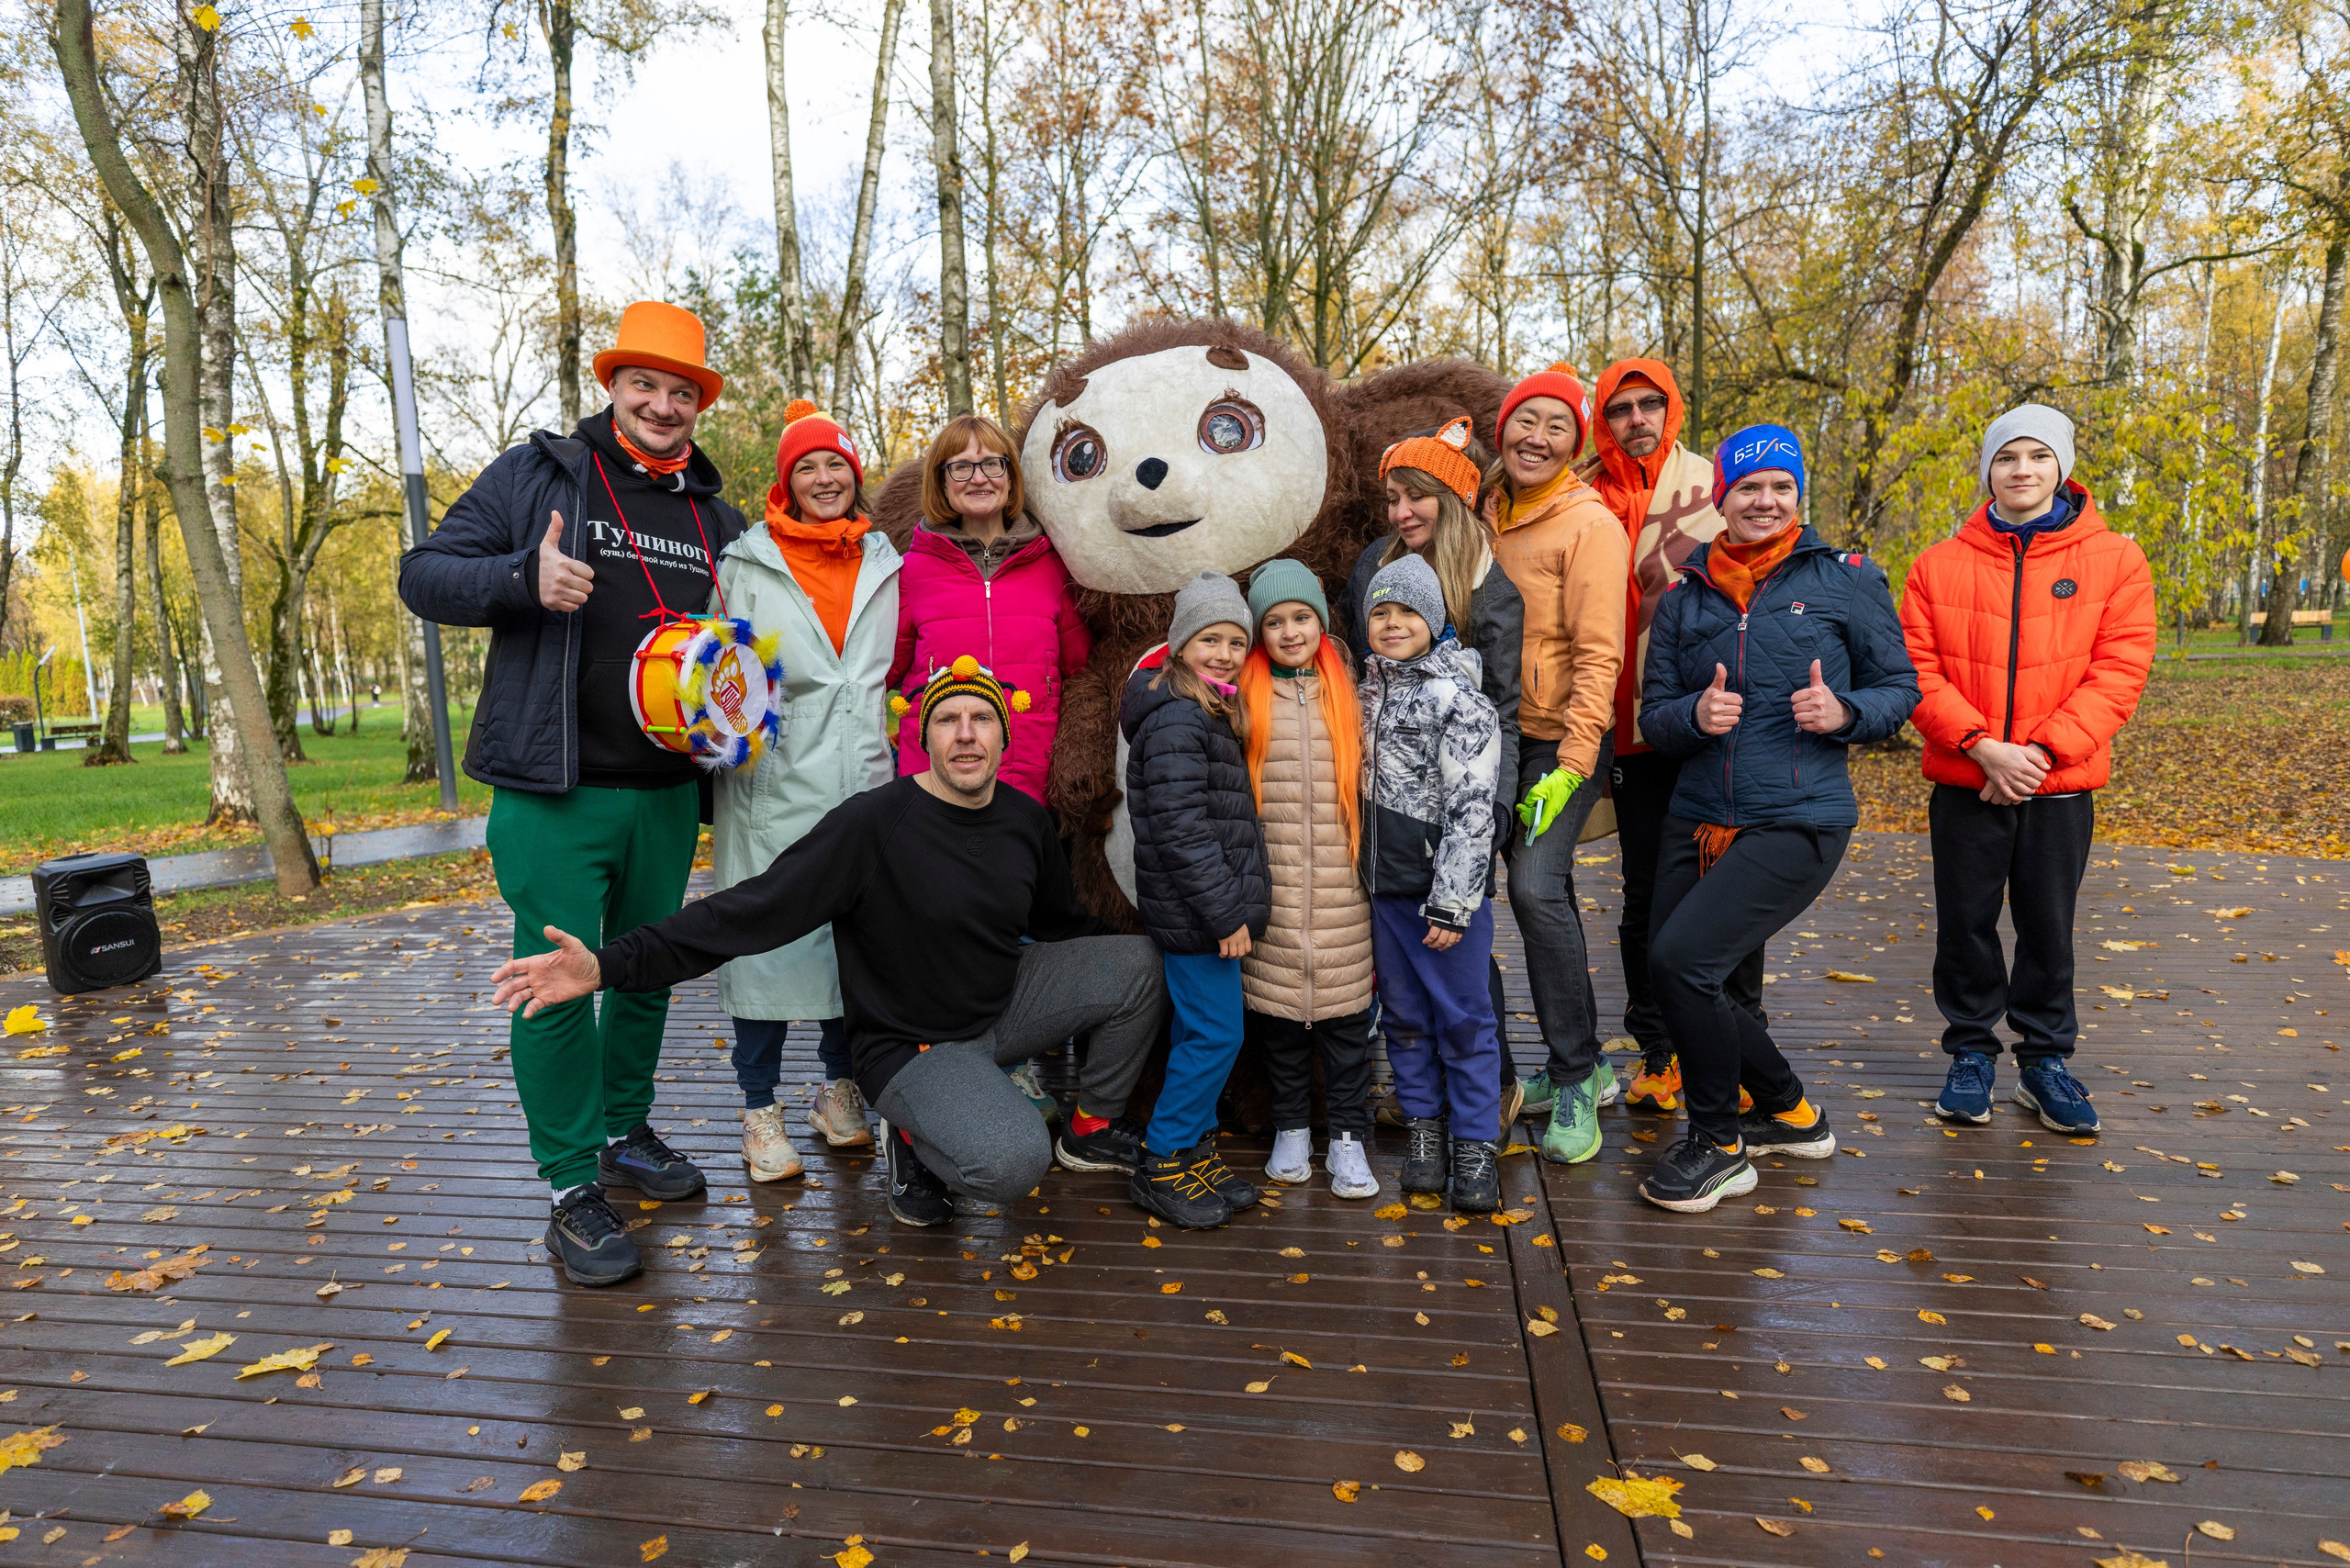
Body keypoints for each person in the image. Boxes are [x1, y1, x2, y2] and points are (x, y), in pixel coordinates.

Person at [490, 656, 1167, 1266]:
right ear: (923, 737)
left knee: (1140, 964)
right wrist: (606, 966)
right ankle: (911, 1133)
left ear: (1002, 736)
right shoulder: (872, 825)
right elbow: (745, 913)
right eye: (950, 719)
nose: (966, 734)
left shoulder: (1023, 820)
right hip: (915, 1045)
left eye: (982, 719)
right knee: (1013, 1162)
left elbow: (1061, 927)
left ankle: (1092, 1130)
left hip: (1003, 1002)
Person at [399, 300, 747, 1284]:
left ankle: (625, 1130)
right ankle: (569, 1186)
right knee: (551, 978)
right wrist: (522, 576)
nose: (663, 404)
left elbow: (752, 655)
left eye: (683, 391)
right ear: (613, 386)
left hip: (669, 789)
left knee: (644, 968)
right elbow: (422, 572)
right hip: (557, 786)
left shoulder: (716, 516)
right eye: (646, 384)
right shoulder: (542, 473)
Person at [1635, 425, 1919, 1213]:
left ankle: (1721, 1144)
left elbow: (1901, 690)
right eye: (1748, 488)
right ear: (1721, 498)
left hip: (1798, 816)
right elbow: (1655, 716)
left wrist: (1846, 710)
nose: (1763, 501)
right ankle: (1792, 1115)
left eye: (1780, 488)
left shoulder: (1845, 581)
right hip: (1696, 816)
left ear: (1798, 496)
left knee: (1683, 966)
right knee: (1691, 975)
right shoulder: (1686, 594)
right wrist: (1696, 712)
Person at [1901, 404, 2154, 1137]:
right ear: (1989, 471)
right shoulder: (1938, 564)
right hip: (1967, 778)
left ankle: (2044, 1061)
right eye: (2008, 458)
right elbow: (1916, 669)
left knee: (2049, 924)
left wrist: (2037, 756)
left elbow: (2120, 668)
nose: (2023, 471)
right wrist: (1982, 745)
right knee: (1967, 924)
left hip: (2058, 781)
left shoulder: (2116, 560)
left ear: (2061, 468)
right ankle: (1971, 1054)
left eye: (2038, 457)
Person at [713, 400, 901, 1179]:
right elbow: (714, 673)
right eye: (807, 467)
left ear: (855, 477)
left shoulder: (888, 559)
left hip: (866, 786)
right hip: (774, 789)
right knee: (766, 946)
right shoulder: (745, 562)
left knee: (850, 952)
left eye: (836, 465)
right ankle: (760, 1113)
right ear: (786, 483)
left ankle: (840, 1091)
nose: (824, 478)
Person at [1580, 359, 1762, 1115]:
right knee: (1647, 893)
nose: (1637, 420)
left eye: (1649, 404)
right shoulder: (1582, 492)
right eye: (1620, 408)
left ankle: (1744, 1045)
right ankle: (1658, 1048)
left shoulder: (1711, 488)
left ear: (1672, 407)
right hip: (1626, 726)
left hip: (1712, 716)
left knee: (1729, 885)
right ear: (1603, 418)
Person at [1337, 418, 1525, 1134]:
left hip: (1463, 789)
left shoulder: (1489, 588)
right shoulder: (1374, 567)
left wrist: (1495, 812)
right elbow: (1367, 673)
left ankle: (1490, 1088)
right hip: (1387, 795)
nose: (1402, 512)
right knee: (1401, 951)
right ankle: (1422, 1100)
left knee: (1461, 932)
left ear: (1454, 497)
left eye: (1417, 495)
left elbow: (1501, 709)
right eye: (1392, 498)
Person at [1483, 366, 1630, 1165]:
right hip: (1492, 732)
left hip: (1559, 736)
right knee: (1538, 895)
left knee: (1535, 886)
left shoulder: (1589, 526)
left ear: (1577, 445)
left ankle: (1575, 1077)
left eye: (1557, 428)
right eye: (1525, 421)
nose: (1537, 438)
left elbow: (1601, 657)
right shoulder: (1485, 508)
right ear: (1503, 426)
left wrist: (1572, 765)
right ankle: (1583, 1061)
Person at [1122, 572, 1272, 1227]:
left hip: (1198, 910)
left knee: (1195, 1032)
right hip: (1198, 914)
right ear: (1180, 646)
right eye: (1210, 638)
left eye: (1236, 641)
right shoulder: (1180, 718)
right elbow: (1183, 830)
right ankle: (1162, 1161)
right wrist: (1225, 914)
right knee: (1217, 1035)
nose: (1223, 653)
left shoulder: (1205, 710)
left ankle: (1194, 1150)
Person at [1359, 553, 1506, 1213]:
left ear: (1436, 619)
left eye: (1408, 612)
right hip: (1382, 889)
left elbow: (1474, 808)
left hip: (1441, 896)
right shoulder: (1365, 692)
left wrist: (1452, 902)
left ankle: (1475, 1143)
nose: (1392, 624)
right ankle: (1424, 1132)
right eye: (1380, 613)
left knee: (1465, 1021)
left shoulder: (1460, 701)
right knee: (1406, 1020)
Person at [1237, 559, 1378, 1200]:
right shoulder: (1245, 699)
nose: (1290, 632)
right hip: (1275, 892)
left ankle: (1348, 1137)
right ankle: (1291, 1128)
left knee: (1348, 1028)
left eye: (1301, 618)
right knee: (1281, 1029)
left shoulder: (1351, 692)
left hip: (1343, 891)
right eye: (1275, 622)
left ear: (1320, 622)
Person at [890, 414, 1090, 807]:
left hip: (1035, 780)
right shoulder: (910, 571)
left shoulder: (1054, 566)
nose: (979, 478)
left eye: (992, 464)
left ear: (1011, 476)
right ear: (942, 482)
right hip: (935, 782)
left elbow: (1081, 672)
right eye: (961, 467)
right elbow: (878, 674)